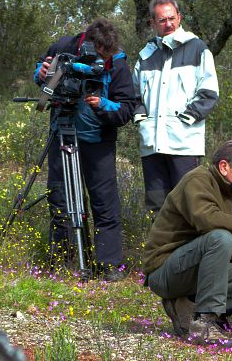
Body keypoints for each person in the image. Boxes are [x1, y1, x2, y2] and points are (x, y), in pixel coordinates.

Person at [142, 139, 232, 346]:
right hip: (165, 270)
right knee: (220, 237)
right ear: (224, 166)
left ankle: (188, 305)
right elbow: (207, 220)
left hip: (192, 270)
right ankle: (204, 321)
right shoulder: (198, 180)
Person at [34, 18, 136, 281]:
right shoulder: (63, 47)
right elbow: (41, 75)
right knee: (60, 198)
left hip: (98, 141)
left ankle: (108, 264)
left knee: (104, 203)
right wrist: (43, 74)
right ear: (88, 43)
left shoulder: (119, 63)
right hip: (63, 131)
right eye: (99, 52)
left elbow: (126, 109)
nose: (102, 58)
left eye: (107, 54)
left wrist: (102, 104)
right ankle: (64, 260)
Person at [132, 0, 219, 214]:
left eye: (172, 18)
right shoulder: (145, 55)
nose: (168, 24)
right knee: (157, 208)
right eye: (162, 20)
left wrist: (185, 120)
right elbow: (132, 94)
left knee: (188, 206)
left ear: (179, 18)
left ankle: (190, 249)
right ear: (152, 23)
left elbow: (209, 92)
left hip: (184, 144)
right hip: (151, 144)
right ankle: (161, 249)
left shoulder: (198, 48)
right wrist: (141, 118)